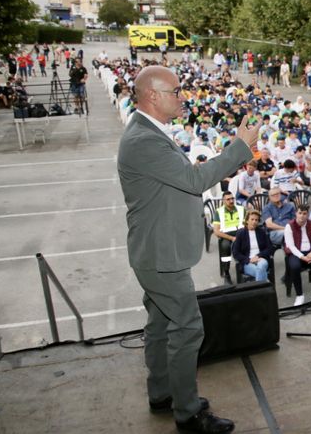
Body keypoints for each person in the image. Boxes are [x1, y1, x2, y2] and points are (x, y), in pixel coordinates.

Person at [117, 65, 260, 433]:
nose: (182, 96)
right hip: (161, 256)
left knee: (162, 324)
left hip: (158, 250)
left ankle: (163, 392)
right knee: (187, 328)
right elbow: (195, 180)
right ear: (152, 96)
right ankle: (187, 411)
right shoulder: (143, 140)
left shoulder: (148, 130)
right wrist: (240, 147)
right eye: (175, 91)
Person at [283, 205, 311, 306]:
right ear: (296, 214)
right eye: (300, 213)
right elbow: (290, 246)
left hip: (309, 252)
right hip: (295, 253)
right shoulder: (289, 226)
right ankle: (299, 295)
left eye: (304, 214)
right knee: (295, 266)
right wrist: (301, 256)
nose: (302, 216)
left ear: (307, 214)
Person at [211, 192, 244, 285]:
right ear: (223, 201)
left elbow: (247, 224)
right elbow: (216, 231)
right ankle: (226, 273)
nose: (231, 201)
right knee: (225, 247)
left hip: (241, 235)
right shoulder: (219, 211)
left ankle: (245, 270)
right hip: (227, 236)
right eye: (228, 199)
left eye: (232, 198)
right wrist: (232, 238)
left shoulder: (241, 209)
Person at [231, 210, 272, 282]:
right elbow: (236, 253)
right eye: (252, 219)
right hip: (248, 262)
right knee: (260, 271)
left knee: (261, 266)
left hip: (261, 259)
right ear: (247, 220)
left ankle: (259, 289)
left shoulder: (262, 232)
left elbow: (269, 248)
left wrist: (258, 256)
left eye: (256, 220)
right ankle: (265, 284)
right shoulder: (241, 233)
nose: (254, 222)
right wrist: (249, 260)